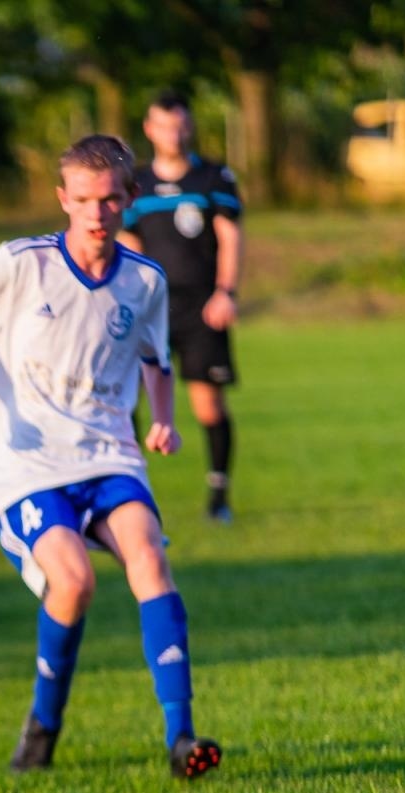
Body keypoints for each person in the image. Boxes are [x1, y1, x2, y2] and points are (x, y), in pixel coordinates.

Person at [0, 135, 221, 780]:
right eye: (83, 201)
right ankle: (44, 723)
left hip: (107, 452)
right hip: (23, 463)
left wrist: (163, 419)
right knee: (72, 582)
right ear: (63, 199)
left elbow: (156, 358)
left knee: (149, 556)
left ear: (129, 200)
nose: (96, 214)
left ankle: (181, 737)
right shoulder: (20, 264)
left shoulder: (144, 281)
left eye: (109, 200)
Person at [121, 93, 243, 523]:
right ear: (150, 129)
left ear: (189, 128)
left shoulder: (213, 177)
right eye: (164, 125)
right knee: (124, 400)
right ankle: (129, 495)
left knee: (207, 406)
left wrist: (225, 291)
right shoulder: (135, 184)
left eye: (180, 125)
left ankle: (218, 496)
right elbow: (128, 243)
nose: (173, 133)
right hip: (149, 311)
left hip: (201, 310)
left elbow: (229, 237)